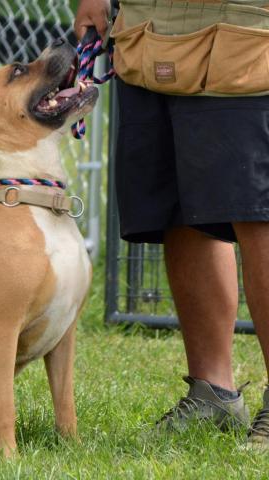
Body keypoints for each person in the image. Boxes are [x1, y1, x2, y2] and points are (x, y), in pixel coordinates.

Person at [74, 0, 269, 444]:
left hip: (247, 29)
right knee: (181, 210)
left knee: (259, 214)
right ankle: (213, 396)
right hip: (147, 29)